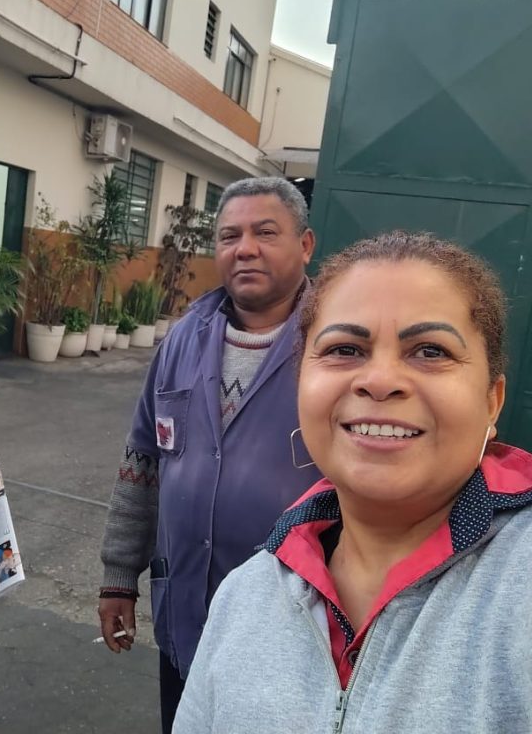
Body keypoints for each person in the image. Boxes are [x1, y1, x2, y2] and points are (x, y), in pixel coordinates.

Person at [174, 231, 532, 733]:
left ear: (492, 401)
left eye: (430, 351)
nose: (379, 381)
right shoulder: (245, 596)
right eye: (345, 350)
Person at [97, 176, 323, 732]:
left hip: (294, 639)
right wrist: (119, 577)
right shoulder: (183, 340)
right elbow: (142, 462)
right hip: (185, 621)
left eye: (265, 233)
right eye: (229, 236)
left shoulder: (338, 345)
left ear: (305, 245)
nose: (245, 249)